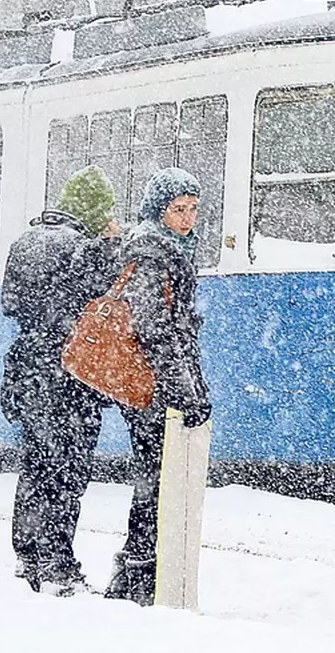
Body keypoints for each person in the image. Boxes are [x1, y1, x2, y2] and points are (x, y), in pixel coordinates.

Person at [2, 166, 121, 593]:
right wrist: (111, 245)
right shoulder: (82, 248)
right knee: (67, 469)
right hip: (69, 374)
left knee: (37, 461)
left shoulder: (25, 241)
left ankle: (27, 552)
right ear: (93, 209)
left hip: (28, 369)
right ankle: (58, 564)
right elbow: (97, 305)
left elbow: (10, 303)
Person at [104, 168, 212, 606]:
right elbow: (155, 329)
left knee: (157, 477)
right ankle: (138, 572)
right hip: (153, 385)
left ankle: (140, 569)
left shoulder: (170, 249)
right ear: (158, 211)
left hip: (160, 380)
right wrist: (186, 391)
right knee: (156, 478)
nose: (187, 219)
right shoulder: (153, 253)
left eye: (192, 209)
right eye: (178, 210)